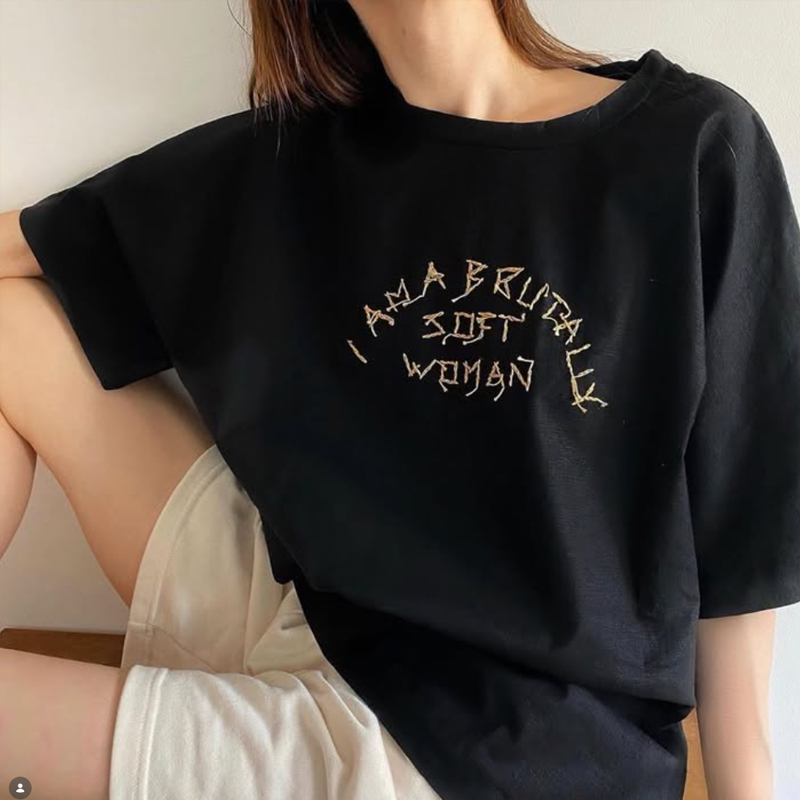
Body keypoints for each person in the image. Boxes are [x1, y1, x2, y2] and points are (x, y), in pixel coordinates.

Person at [0, 1, 798, 799]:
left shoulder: (689, 146)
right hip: (307, 611)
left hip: (501, 753)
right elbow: (42, 243)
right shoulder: (286, 161)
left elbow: (741, 528)